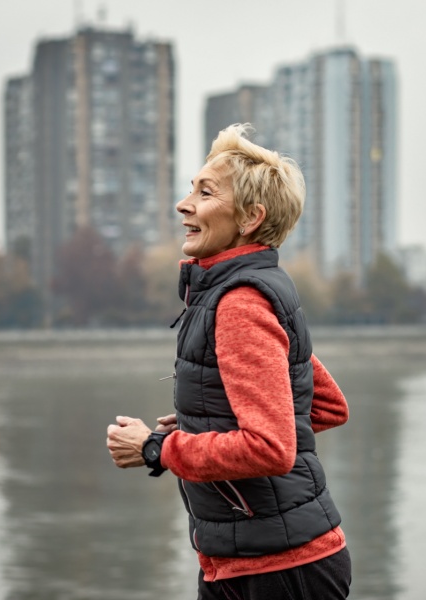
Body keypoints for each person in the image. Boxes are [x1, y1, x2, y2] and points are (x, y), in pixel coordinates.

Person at [106, 123, 351, 600]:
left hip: (276, 571)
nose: (184, 204)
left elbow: (271, 447)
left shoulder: (239, 304)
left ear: (250, 218)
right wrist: (219, 419)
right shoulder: (251, 291)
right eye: (189, 188)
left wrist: (158, 448)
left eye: (205, 191)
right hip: (263, 563)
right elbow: (325, 406)